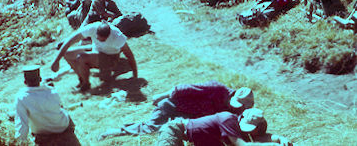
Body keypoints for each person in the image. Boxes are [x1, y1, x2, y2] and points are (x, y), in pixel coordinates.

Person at [99, 81, 254, 138]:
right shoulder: (217, 89)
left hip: (187, 117)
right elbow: (185, 88)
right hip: (172, 106)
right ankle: (116, 132)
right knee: (151, 128)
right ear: (233, 94)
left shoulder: (237, 109)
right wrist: (162, 95)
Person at [51, 21, 138, 91]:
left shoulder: (117, 37)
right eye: (98, 38)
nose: (100, 40)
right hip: (95, 50)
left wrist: (135, 75)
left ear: (108, 36)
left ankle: (86, 84)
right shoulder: (93, 27)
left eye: (103, 40)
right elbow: (70, 40)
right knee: (67, 53)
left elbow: (129, 55)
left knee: (81, 57)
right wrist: (56, 60)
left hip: (110, 57)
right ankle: (81, 78)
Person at [15, 65, 81, 146]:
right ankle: (71, 133)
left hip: (42, 132)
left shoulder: (21, 97)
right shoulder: (52, 91)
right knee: (63, 110)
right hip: (62, 126)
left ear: (25, 82)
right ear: (40, 79)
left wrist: (20, 141)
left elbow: (22, 124)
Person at [156, 108, 293, 146]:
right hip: (174, 130)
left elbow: (260, 138)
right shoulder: (228, 119)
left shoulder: (239, 129)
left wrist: (279, 138)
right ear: (241, 118)